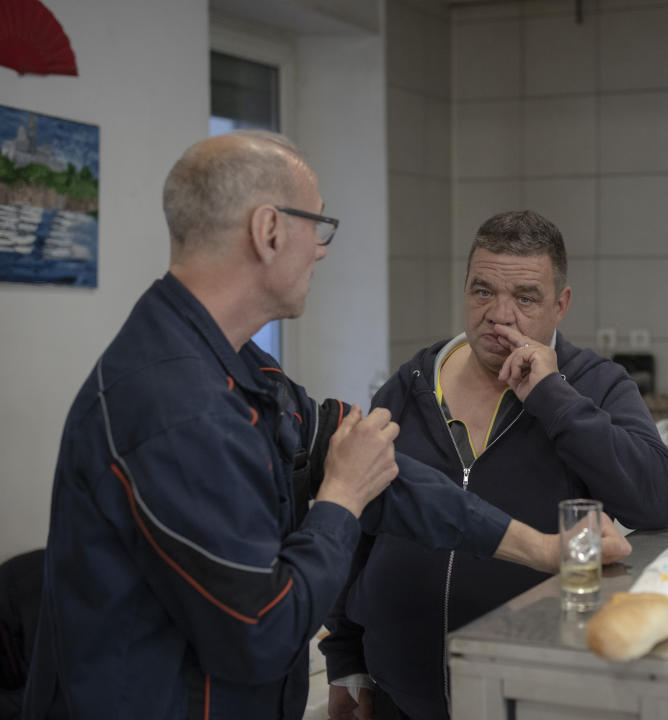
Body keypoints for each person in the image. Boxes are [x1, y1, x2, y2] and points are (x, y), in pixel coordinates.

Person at [21, 135, 630, 720]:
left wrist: (546, 549)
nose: (321, 248)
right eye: (318, 225)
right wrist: (339, 499)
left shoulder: (238, 366)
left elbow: (376, 465)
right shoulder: (176, 407)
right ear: (269, 231)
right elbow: (260, 633)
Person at [322, 210, 668, 720]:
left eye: (525, 298)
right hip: (394, 698)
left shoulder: (594, 385)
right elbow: (356, 522)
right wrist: (345, 656)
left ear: (561, 305)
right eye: (482, 291)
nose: (499, 315)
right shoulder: (411, 385)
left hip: (533, 698)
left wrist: (553, 398)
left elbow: (660, 497)